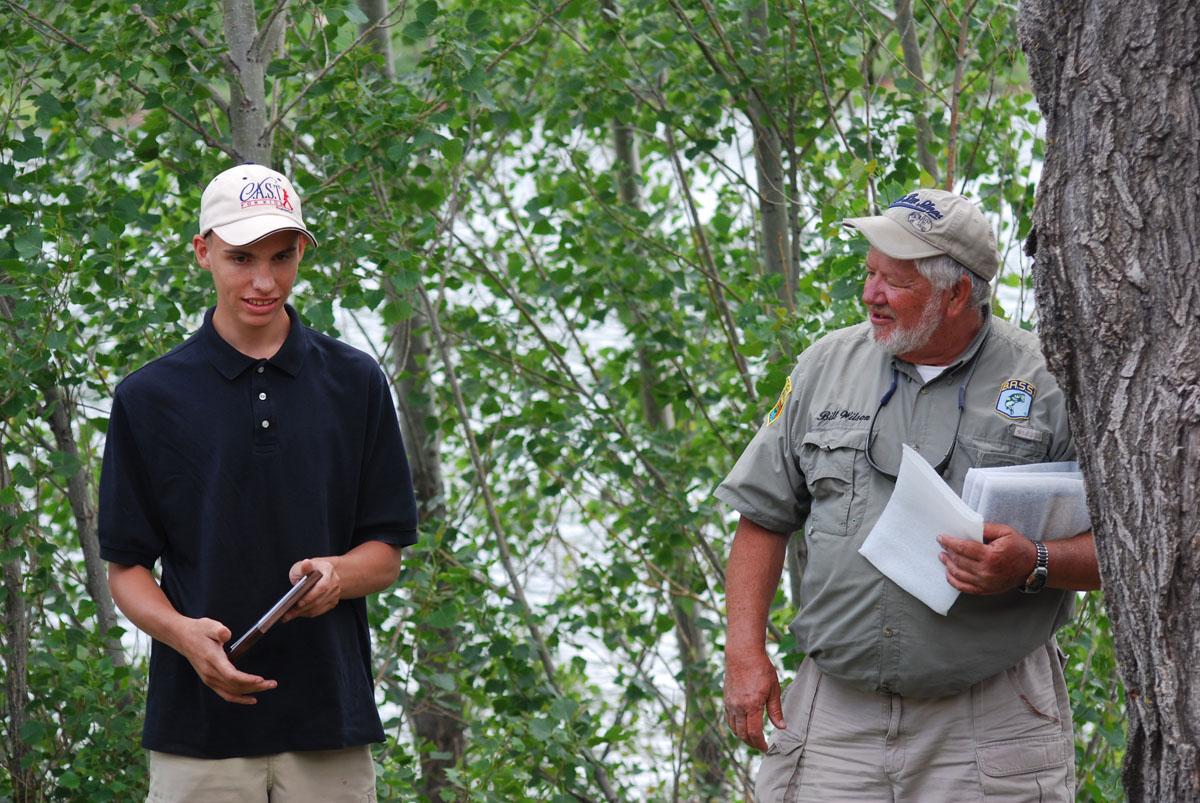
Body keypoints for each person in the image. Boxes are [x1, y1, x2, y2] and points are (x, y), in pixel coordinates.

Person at [716, 189, 1101, 802]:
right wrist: (743, 653)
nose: (870, 294)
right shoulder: (824, 366)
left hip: (990, 716)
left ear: (957, 295)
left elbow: (1133, 551)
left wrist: (1034, 562)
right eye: (869, 273)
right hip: (833, 718)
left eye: (893, 282)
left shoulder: (1051, 382)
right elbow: (762, 516)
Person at [99, 163, 418, 802]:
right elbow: (126, 569)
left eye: (282, 256)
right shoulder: (149, 397)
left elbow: (385, 554)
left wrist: (337, 574)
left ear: (301, 253)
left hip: (330, 726)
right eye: (241, 258)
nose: (264, 281)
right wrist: (183, 634)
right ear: (203, 252)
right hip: (198, 733)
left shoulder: (354, 381)